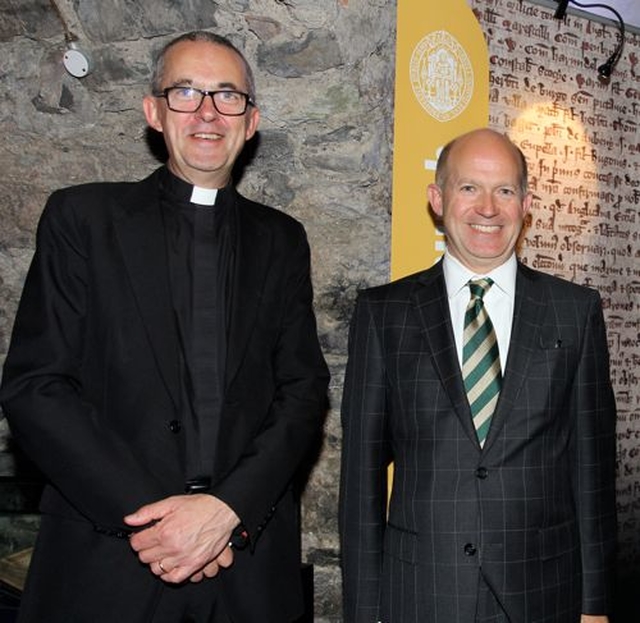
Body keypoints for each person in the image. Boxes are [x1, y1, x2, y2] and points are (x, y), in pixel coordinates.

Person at [0, 30, 329, 623]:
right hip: (109, 560)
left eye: (228, 96)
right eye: (186, 92)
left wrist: (227, 510)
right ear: (153, 112)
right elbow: (36, 388)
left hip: (245, 566)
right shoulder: (83, 219)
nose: (207, 112)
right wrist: (164, 523)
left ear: (250, 122)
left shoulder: (283, 241)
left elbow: (303, 393)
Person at [339, 128, 616, 623]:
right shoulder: (384, 314)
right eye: (469, 187)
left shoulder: (574, 312)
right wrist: (364, 610)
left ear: (526, 203)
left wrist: (595, 606)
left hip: (544, 593)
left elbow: (592, 471)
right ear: (437, 198)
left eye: (505, 190)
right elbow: (360, 479)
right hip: (421, 592)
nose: (488, 208)